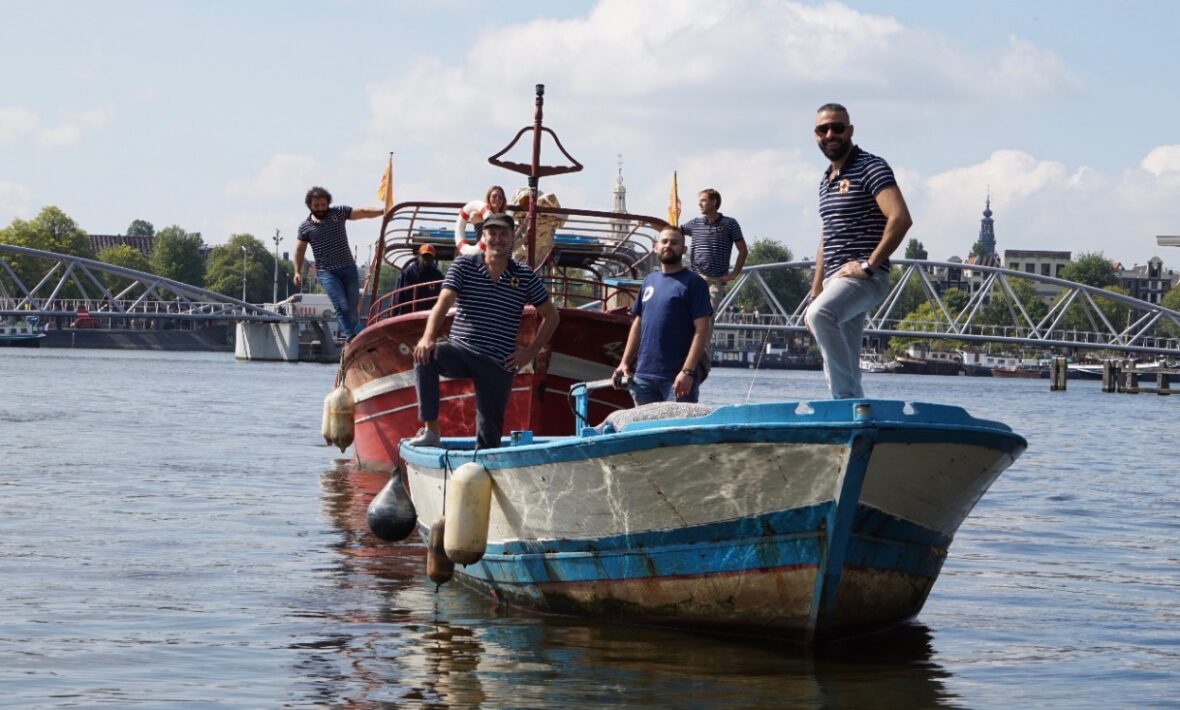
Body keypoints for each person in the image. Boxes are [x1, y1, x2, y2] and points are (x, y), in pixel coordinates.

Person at [409, 213, 560, 450]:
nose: (497, 239)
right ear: (484, 236)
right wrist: (427, 337)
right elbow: (443, 302)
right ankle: (431, 432)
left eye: (503, 234)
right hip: (461, 350)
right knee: (424, 357)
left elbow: (552, 316)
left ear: (512, 239)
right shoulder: (464, 265)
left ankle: (484, 472)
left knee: (489, 439)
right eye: (492, 233)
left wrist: (530, 353)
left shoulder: (524, 275)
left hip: (498, 361)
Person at [804, 103, 912, 399]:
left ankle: (843, 403)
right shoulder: (826, 180)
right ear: (815, 135)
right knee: (844, 352)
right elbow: (826, 238)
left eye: (837, 128)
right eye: (822, 130)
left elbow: (900, 218)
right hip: (834, 280)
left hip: (862, 278)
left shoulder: (870, 167)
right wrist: (815, 290)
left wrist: (868, 265)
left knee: (820, 316)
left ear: (849, 131)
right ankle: (855, 414)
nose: (830, 134)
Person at [613, 226, 712, 405]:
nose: (668, 246)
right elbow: (638, 323)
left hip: (677, 379)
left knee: (677, 431)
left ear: (684, 249)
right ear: (655, 247)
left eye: (675, 243)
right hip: (643, 378)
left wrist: (688, 371)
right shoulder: (649, 281)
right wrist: (624, 363)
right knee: (644, 431)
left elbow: (702, 329)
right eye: (664, 242)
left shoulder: (694, 283)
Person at [294, 186, 384, 340]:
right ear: (310, 206)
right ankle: (351, 337)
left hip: (348, 268)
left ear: (328, 203)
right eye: (316, 206)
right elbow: (299, 250)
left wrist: (383, 211)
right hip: (327, 272)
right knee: (341, 304)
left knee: (352, 307)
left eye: (323, 205)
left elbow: (363, 212)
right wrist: (296, 271)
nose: (321, 209)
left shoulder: (339, 213)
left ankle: (356, 333)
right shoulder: (305, 227)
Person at [681, 188, 748, 312]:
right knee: (689, 314)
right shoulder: (695, 223)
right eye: (699, 201)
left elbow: (743, 250)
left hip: (716, 281)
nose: (699, 204)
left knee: (708, 315)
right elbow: (674, 231)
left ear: (714, 202)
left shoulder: (730, 224)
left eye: (703, 200)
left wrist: (734, 274)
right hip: (696, 277)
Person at [393, 244, 445, 314]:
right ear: (419, 256)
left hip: (429, 315)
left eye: (430, 257)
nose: (427, 259)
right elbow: (397, 298)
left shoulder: (438, 276)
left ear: (433, 258)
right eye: (424, 256)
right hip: (409, 316)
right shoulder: (407, 274)